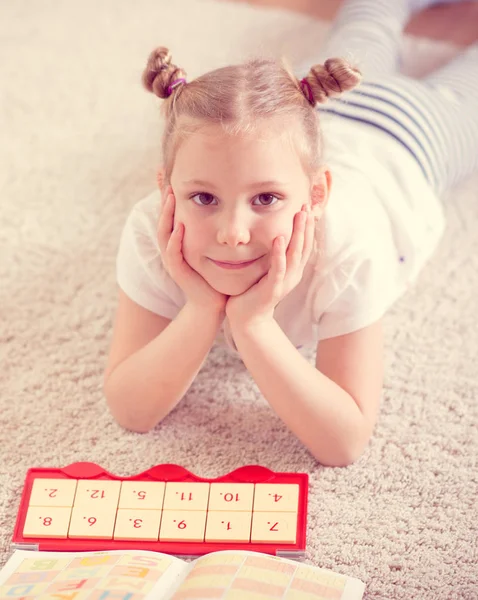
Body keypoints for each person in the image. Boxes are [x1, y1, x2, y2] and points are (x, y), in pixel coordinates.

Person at [103, 0, 478, 467]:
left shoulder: (347, 247)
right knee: (368, 20)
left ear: (316, 195)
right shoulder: (150, 231)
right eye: (203, 198)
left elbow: (344, 442)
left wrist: (255, 324)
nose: (234, 234)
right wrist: (202, 309)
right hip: (308, 109)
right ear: (166, 191)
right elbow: (130, 408)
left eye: (265, 200)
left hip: (409, 137)